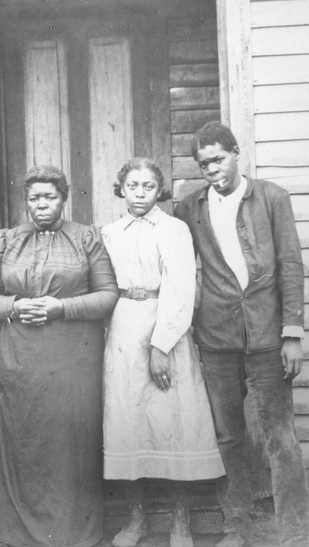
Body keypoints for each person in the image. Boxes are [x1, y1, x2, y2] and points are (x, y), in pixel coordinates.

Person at [175, 121, 309, 547]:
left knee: (279, 437)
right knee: (229, 435)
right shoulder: (190, 207)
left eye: (219, 159)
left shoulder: (271, 198)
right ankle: (237, 525)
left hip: (268, 337)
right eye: (204, 164)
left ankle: (294, 534)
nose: (213, 170)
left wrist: (292, 331)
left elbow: (290, 265)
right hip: (216, 339)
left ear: (237, 153)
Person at [0, 165, 119, 547]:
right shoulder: (7, 240)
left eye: (50, 197)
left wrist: (62, 307)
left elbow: (108, 295)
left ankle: (73, 533)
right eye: (35, 198)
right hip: (19, 359)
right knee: (24, 441)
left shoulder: (85, 238)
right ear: (26, 201)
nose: (42, 205)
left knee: (68, 444)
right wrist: (15, 304)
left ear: (63, 198)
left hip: (72, 360)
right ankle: (16, 532)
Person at [102, 158, 225, 547]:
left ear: (160, 191)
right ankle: (136, 519)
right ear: (121, 189)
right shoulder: (110, 232)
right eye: (133, 186)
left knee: (175, 425)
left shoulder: (173, 230)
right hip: (123, 328)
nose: (140, 194)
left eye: (149, 186)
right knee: (128, 424)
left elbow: (181, 289)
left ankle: (180, 521)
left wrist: (160, 346)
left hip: (165, 327)